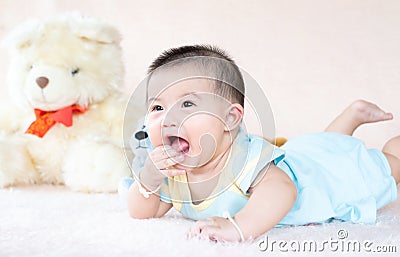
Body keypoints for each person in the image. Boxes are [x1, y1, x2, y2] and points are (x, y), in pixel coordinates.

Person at [125, 45, 400, 242]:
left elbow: (282, 190)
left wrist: (240, 227)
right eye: (158, 107)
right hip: (305, 152)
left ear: (230, 119)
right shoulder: (173, 170)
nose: (169, 118)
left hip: (323, 177)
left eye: (187, 104)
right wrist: (148, 178)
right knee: (323, 145)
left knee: (388, 166)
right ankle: (351, 117)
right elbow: (143, 213)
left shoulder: (243, 159)